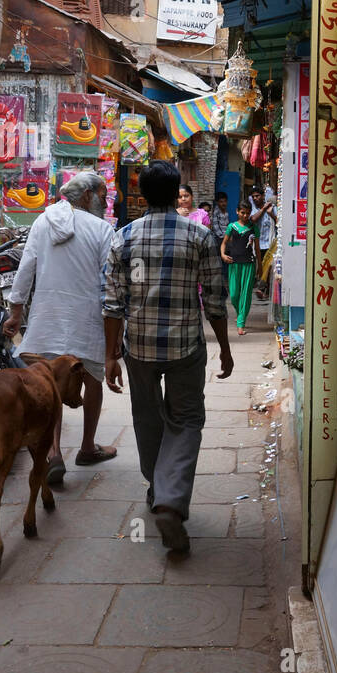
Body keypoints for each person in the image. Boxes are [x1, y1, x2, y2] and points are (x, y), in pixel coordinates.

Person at [102, 160, 233, 554]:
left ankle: (158, 486)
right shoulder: (199, 235)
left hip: (139, 347)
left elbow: (112, 305)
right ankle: (170, 500)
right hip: (185, 346)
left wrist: (111, 357)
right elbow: (214, 299)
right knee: (187, 419)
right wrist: (224, 347)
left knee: (146, 417)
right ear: (179, 192)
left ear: (142, 195)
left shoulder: (123, 238)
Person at [3, 170, 116, 483]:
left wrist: (16, 311)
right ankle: (87, 447)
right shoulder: (102, 229)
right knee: (93, 378)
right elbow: (110, 280)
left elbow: (26, 267)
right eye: (103, 195)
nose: (106, 201)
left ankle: (53, 452)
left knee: (51, 382)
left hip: (47, 316)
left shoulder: (43, 221)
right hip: (87, 317)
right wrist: (115, 326)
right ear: (87, 195)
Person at [222, 201, 258, 335]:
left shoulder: (253, 228)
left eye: (248, 213)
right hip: (234, 263)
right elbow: (224, 243)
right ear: (237, 212)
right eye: (243, 213)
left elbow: (257, 249)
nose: (245, 215)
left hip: (249, 264)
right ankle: (240, 314)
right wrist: (223, 255)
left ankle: (241, 323)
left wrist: (259, 267)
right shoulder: (232, 227)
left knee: (245, 295)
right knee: (234, 294)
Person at [248, 184, 276, 300]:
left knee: (268, 267)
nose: (255, 198)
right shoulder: (254, 209)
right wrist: (264, 209)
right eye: (253, 196)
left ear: (263, 196)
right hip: (258, 244)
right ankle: (262, 288)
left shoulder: (272, 208)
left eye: (257, 196)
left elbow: (279, 220)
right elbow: (253, 219)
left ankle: (264, 289)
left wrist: (271, 214)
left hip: (270, 243)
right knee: (261, 268)